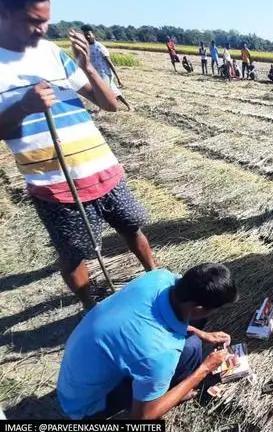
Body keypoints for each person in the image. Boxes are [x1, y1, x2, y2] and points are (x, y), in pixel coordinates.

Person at [0, 0, 157, 311]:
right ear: (5, 13)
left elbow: (109, 104)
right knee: (75, 253)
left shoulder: (51, 53)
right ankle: (90, 306)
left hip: (102, 168)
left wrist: (87, 67)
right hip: (55, 184)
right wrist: (24, 106)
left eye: (46, 20)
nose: (42, 29)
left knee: (131, 226)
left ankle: (155, 275)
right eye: (33, 21)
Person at [57, 264, 238, 420]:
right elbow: (142, 417)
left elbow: (148, 321)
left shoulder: (159, 278)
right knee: (191, 348)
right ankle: (165, 395)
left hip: (73, 379)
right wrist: (204, 369)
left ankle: (158, 390)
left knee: (192, 343)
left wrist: (202, 333)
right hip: (85, 408)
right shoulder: (160, 353)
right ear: (198, 309)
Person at [81, 24, 131, 111]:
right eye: (85, 35)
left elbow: (109, 62)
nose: (87, 37)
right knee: (114, 91)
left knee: (102, 92)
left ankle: (101, 109)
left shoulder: (100, 47)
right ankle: (127, 106)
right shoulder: (87, 48)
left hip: (105, 74)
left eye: (89, 34)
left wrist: (118, 78)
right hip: (97, 74)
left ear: (93, 34)